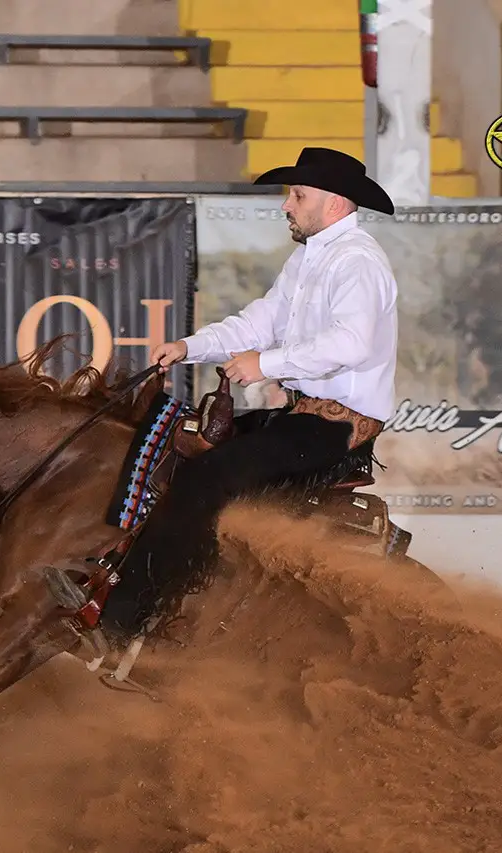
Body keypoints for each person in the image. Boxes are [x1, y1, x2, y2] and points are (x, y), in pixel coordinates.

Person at [97, 147, 399, 640]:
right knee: (178, 446)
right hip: (305, 419)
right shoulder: (310, 259)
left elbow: (351, 343)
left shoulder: (357, 262)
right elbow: (257, 323)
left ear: (335, 203)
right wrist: (189, 347)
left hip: (336, 427)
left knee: (206, 477)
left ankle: (127, 620)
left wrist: (265, 364)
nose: (287, 205)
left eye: (298, 195)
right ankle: (131, 578)